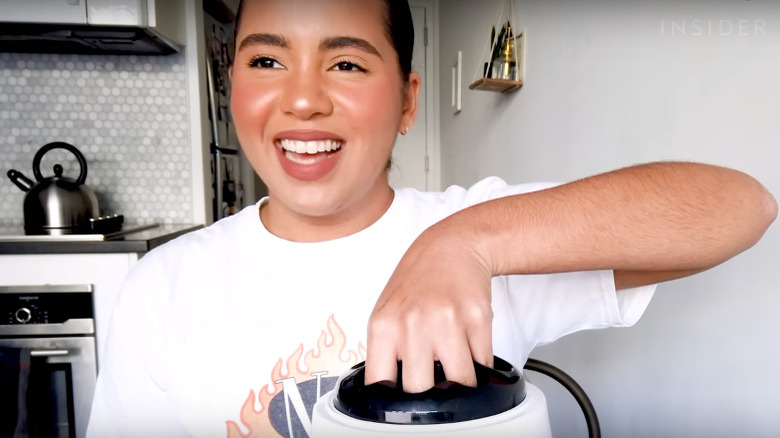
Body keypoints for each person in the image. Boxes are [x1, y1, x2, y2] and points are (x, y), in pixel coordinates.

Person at [86, 0, 777, 437]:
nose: (302, 100)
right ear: (233, 85)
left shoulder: (485, 235)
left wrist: (462, 245)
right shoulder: (163, 286)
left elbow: (740, 205)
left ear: (407, 101)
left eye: (346, 64)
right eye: (266, 59)